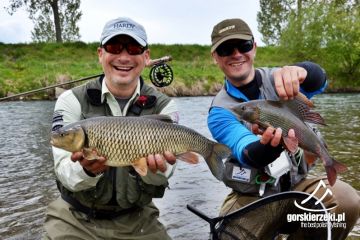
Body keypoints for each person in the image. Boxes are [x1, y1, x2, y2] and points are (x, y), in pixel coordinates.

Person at [208, 18, 360, 239]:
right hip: (253, 197)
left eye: (244, 46)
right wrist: (269, 148)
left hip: (297, 187)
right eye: (225, 49)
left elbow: (320, 82)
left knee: (346, 200)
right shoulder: (221, 111)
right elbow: (246, 151)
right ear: (215, 57)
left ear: (254, 47)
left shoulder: (280, 79)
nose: (236, 54)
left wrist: (305, 71)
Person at [43, 17, 179, 240]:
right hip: (75, 217)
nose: (124, 57)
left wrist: (157, 169)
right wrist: (87, 170)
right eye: (114, 47)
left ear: (146, 57)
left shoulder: (165, 106)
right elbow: (63, 172)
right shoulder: (70, 100)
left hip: (139, 219)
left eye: (133, 48)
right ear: (100, 54)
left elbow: (166, 174)